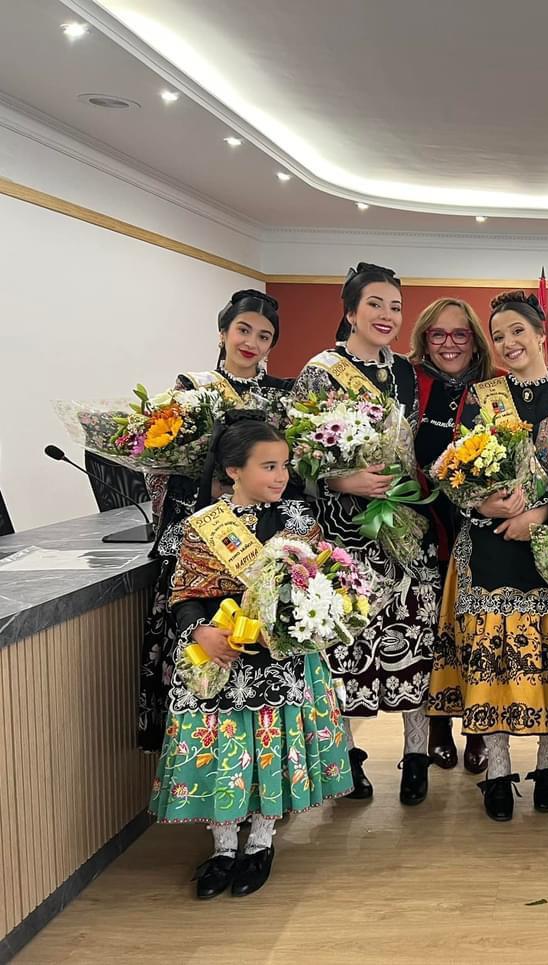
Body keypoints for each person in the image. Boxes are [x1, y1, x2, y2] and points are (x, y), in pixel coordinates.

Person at [149, 413, 352, 899]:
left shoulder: (299, 522)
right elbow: (184, 593)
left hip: (276, 658)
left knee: (269, 748)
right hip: (221, 658)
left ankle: (261, 842)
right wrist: (200, 633)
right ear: (233, 470)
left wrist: (301, 620)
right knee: (224, 751)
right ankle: (223, 848)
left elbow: (319, 587)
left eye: (284, 465)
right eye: (269, 466)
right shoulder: (202, 526)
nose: (281, 476)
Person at [427, 291, 548, 821]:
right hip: (489, 547)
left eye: (517, 331)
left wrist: (538, 514)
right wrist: (480, 500)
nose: (508, 343)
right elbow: (457, 466)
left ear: (542, 335)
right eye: (498, 336)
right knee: (493, 661)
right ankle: (497, 772)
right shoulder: (483, 395)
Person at [292, 263, 438, 806]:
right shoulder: (321, 371)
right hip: (345, 532)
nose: (387, 315)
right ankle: (346, 757)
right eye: (375, 304)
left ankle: (416, 755)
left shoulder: (405, 373)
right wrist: (341, 479)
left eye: (396, 307)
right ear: (351, 312)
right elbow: (297, 454)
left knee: (416, 637)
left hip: (405, 523)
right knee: (347, 645)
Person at [139, 289, 292, 751]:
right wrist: (212, 489)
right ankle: (201, 747)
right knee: (202, 632)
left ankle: (265, 748)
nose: (251, 343)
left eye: (263, 336)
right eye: (243, 330)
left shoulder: (283, 396)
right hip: (205, 535)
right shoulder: (191, 391)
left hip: (264, 534)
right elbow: (158, 465)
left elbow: (293, 469)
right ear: (223, 332)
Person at [408, 297, 493, 775]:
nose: (449, 344)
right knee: (431, 637)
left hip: (478, 532)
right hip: (420, 531)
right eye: (438, 334)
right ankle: (437, 726)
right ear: (424, 338)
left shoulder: (494, 387)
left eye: (460, 334)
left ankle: (477, 729)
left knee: (475, 634)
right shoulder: (408, 382)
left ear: (475, 341)